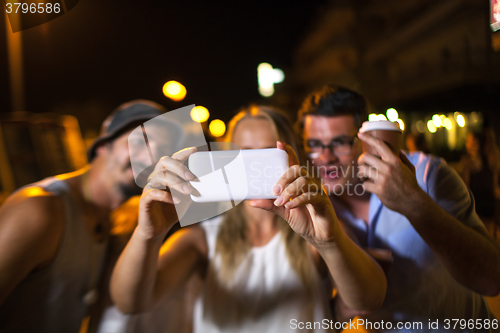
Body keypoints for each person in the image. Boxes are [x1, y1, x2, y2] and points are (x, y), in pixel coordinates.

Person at [110, 105, 387, 333]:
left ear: (293, 159)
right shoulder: (203, 239)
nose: (254, 164)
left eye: (267, 153)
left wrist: (328, 242)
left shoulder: (316, 228)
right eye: (242, 152)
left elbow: (368, 299)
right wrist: (148, 234)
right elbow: (130, 302)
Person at [297, 85, 500, 332]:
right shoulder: (314, 213)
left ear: (366, 139)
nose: (325, 157)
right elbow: (313, 316)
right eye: (315, 144)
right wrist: (341, 309)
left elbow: (492, 278)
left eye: (339, 143)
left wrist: (411, 201)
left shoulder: (427, 175)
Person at [0, 100, 178, 333]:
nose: (152, 155)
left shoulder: (117, 222)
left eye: (163, 149)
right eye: (140, 140)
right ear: (102, 146)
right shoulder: (40, 209)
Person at [457, 131, 500, 226]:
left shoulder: (470, 162)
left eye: (472, 141)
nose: (468, 144)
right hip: (485, 204)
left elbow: (465, 185)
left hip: (478, 204)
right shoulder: (489, 161)